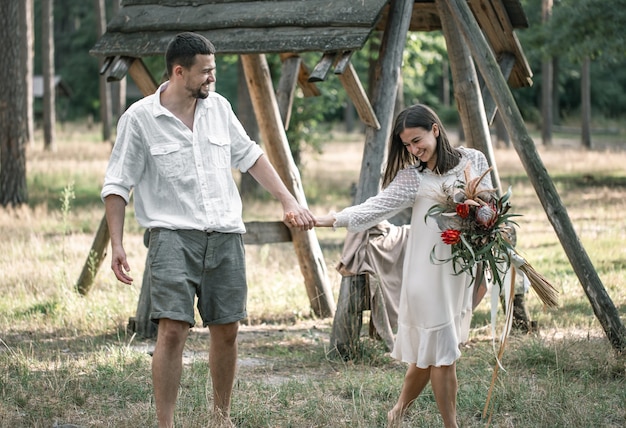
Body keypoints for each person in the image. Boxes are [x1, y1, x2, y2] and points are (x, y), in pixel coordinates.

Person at [101, 32, 315, 428]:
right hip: (171, 237)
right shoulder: (140, 119)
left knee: (228, 329)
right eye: (206, 72)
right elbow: (117, 184)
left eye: (214, 71)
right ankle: (166, 423)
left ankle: (221, 418)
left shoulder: (218, 108)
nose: (211, 78)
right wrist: (116, 244)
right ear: (179, 72)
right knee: (171, 331)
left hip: (225, 234)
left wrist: (288, 200)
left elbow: (250, 156)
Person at [314, 104, 492, 428]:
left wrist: (488, 224)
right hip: (425, 276)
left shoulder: (473, 160)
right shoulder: (413, 178)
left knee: (428, 351)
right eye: (407, 144)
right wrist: (328, 219)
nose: (413, 149)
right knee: (443, 353)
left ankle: (397, 413)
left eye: (417, 140)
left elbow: (487, 204)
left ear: (435, 129)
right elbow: (373, 208)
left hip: (455, 274)